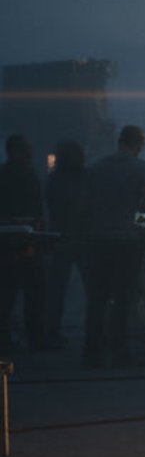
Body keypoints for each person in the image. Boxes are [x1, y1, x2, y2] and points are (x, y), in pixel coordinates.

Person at [83, 125, 145, 367]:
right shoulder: (142, 168)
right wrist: (140, 225)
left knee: (97, 298)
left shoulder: (96, 168)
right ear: (139, 144)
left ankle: (91, 350)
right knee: (123, 298)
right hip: (127, 240)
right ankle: (118, 348)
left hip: (98, 240)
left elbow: (86, 204)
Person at [0, 134, 49, 352]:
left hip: (24, 239)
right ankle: (24, 337)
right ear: (13, 151)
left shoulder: (29, 175)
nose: (30, 153)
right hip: (11, 241)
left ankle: (30, 336)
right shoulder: (16, 175)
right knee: (10, 293)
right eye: (25, 149)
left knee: (28, 293)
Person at [43, 140, 89, 351]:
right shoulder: (87, 179)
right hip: (84, 238)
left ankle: (51, 334)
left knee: (56, 291)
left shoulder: (53, 180)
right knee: (94, 289)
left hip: (60, 238)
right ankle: (96, 333)